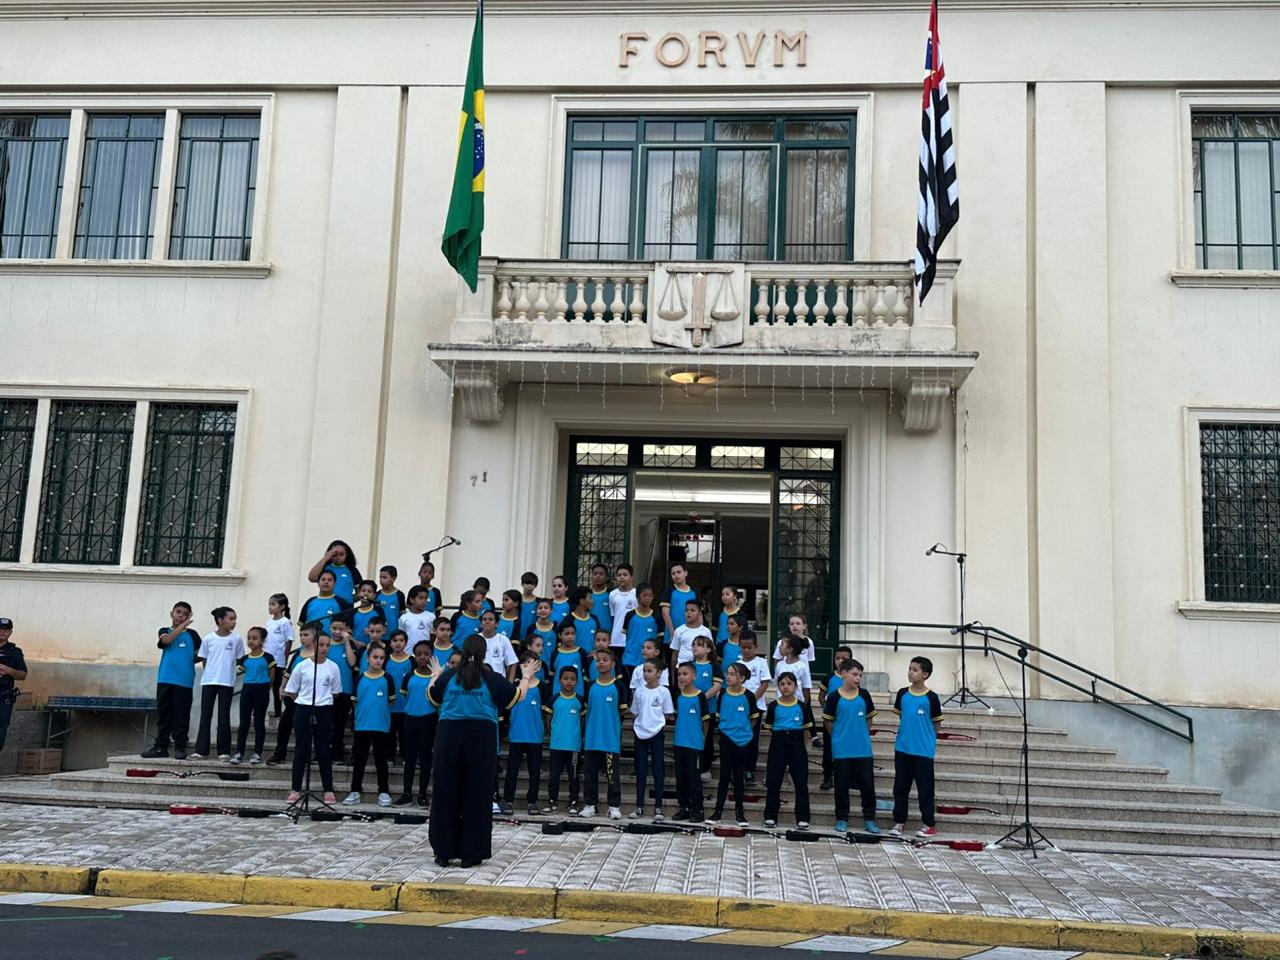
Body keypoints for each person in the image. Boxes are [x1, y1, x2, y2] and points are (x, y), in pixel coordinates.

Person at [427, 635, 540, 867]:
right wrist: (526, 677)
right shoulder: (492, 678)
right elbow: (517, 696)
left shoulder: (450, 676)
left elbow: (432, 696)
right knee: (477, 795)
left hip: (449, 737)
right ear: (484, 653)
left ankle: (443, 851)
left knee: (445, 793)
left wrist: (435, 675)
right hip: (481, 738)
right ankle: (472, 852)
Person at [284, 628, 342, 805]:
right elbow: (291, 691)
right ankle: (295, 788)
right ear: (314, 643)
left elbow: (336, 692)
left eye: (327, 645)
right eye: (321, 644)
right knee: (301, 750)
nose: (324, 648)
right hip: (303, 708)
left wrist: (322, 701)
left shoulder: (333, 667)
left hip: (323, 709)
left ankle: (328, 789)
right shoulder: (302, 666)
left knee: (323, 750)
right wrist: (305, 701)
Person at [891, 656, 944, 839]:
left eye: (915, 670)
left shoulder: (931, 698)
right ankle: (899, 822)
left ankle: (929, 824)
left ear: (925, 674)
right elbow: (902, 717)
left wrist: (927, 739)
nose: (910, 672)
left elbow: (936, 724)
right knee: (900, 787)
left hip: (923, 751)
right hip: (903, 748)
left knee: (925, 789)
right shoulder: (902, 693)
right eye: (909, 668)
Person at [825, 657, 878, 834]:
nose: (858, 678)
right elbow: (829, 722)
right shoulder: (833, 697)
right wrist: (839, 737)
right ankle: (841, 818)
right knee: (841, 785)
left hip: (863, 749)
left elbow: (869, 718)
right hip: (842, 750)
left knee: (867, 786)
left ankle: (869, 818)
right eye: (855, 674)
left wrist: (862, 733)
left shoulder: (864, 695)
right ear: (844, 674)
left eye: (860, 675)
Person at [142, 603, 200, 760]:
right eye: (178, 612)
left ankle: (180, 747)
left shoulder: (193, 635)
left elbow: (199, 654)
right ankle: (161, 746)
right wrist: (181, 627)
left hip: (184, 681)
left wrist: (188, 660)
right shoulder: (165, 631)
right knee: (164, 714)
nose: (181, 615)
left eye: (185, 613)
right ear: (171, 613)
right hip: (165, 679)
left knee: (181, 715)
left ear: (189, 616)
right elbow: (166, 641)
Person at [397, 640, 450, 808]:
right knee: (409, 758)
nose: (422, 657)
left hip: (429, 719)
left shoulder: (437, 677)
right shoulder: (409, 676)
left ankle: (422, 794)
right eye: (418, 654)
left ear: (432, 656)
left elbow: (438, 698)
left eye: (426, 654)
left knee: (425, 758)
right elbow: (406, 695)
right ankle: (406, 793)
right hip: (410, 719)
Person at [343, 644, 397, 807]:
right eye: (375, 657)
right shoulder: (359, 679)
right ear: (368, 658)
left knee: (381, 761)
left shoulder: (387, 678)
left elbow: (390, 700)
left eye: (381, 658)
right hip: (362, 726)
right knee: (360, 760)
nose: (378, 660)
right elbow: (354, 701)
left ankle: (384, 792)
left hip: (381, 726)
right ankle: (355, 791)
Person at [579, 647, 628, 820]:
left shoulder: (619, 686)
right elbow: (585, 711)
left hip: (610, 739)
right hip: (592, 738)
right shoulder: (590, 686)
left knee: (611, 775)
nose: (601, 662)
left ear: (613, 663)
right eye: (598, 659)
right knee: (590, 773)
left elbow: (622, 712)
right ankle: (590, 805)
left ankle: (614, 806)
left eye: (605, 659)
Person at [190, 607, 244, 760]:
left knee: (223, 716)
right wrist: (212, 672)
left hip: (227, 681)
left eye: (235, 619)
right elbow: (205, 659)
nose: (234, 622)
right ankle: (201, 750)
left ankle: (224, 751)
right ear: (220, 621)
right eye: (230, 619)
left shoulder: (236, 639)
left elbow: (239, 659)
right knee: (205, 715)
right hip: (209, 681)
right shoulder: (208, 638)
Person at [762, 671, 814, 829]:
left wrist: (803, 748)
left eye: (789, 684)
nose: (786, 687)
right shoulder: (773, 706)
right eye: (782, 684)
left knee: (800, 782)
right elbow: (770, 727)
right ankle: (770, 816)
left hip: (797, 743)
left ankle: (803, 818)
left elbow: (807, 730)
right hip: (778, 743)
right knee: (773, 781)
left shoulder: (801, 706)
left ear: (796, 686)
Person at [710, 662, 757, 827]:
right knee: (724, 776)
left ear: (742, 678)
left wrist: (745, 732)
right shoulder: (722, 694)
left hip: (743, 740)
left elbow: (754, 717)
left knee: (739, 776)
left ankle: (740, 813)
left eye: (732, 674)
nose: (728, 676)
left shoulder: (749, 696)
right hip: (726, 739)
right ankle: (717, 811)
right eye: (727, 673)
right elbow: (718, 716)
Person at [629, 657, 674, 820]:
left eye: (650, 671)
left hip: (656, 734)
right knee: (640, 770)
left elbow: (668, 713)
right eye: (644, 671)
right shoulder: (639, 692)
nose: (646, 674)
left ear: (659, 673)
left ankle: (658, 807)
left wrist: (656, 724)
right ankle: (639, 805)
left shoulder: (664, 692)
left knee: (657, 769)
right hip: (640, 733)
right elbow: (634, 712)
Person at [502, 650, 546, 815]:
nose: (528, 666)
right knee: (512, 771)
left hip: (535, 736)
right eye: (525, 663)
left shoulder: (542, 687)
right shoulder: (514, 686)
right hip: (516, 735)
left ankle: (532, 802)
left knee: (534, 772)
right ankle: (508, 800)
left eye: (532, 662)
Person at [267, 625, 317, 766]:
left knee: (305, 728)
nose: (302, 638)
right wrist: (282, 686)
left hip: (307, 698)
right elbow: (288, 672)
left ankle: (304, 755)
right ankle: (279, 753)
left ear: (314, 637)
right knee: (284, 726)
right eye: (301, 635)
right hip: (292, 697)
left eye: (306, 635)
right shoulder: (297, 654)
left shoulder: (318, 656)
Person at [543, 665, 584, 815]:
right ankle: (552, 801)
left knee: (573, 776)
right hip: (557, 744)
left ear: (577, 682)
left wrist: (579, 735)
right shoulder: (553, 699)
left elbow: (583, 720)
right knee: (554, 775)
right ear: (560, 680)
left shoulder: (579, 700)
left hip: (573, 745)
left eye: (572, 679)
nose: (569, 682)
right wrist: (553, 733)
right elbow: (548, 719)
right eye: (566, 679)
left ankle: (573, 802)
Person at [671, 663, 709, 822]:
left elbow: (705, 721)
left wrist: (702, 739)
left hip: (695, 744)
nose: (681, 677)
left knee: (694, 777)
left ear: (694, 676)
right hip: (680, 742)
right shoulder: (678, 696)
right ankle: (684, 807)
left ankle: (698, 809)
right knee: (681, 777)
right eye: (679, 674)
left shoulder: (700, 697)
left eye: (685, 674)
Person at [232, 627, 275, 765]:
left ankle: (257, 753)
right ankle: (239, 752)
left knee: (259, 722)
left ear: (262, 640)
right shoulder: (244, 659)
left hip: (262, 690)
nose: (251, 641)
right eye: (249, 638)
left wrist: (267, 686)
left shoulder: (268, 657)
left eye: (255, 638)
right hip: (247, 690)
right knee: (244, 722)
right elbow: (241, 671)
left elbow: (272, 675)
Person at [736, 631, 771, 784]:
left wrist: (752, 700)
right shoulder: (737, 663)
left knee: (752, 738)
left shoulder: (761, 662)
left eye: (749, 647)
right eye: (743, 647)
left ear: (756, 647)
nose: (746, 650)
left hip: (756, 707)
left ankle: (749, 769)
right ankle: (737, 768)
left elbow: (764, 683)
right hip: (738, 707)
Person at [817, 645, 854, 790]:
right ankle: (828, 776)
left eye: (844, 658)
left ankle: (849, 776)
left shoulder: (853, 678)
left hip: (848, 721)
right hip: (832, 721)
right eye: (837, 658)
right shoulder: (829, 677)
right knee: (829, 749)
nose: (840, 661)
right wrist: (827, 710)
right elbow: (821, 696)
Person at [690, 636, 722, 781]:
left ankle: (705, 768)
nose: (695, 647)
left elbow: (716, 686)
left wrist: (702, 698)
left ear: (708, 649)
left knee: (706, 739)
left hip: (708, 709)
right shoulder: (688, 665)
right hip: (690, 709)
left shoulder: (714, 666)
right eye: (693, 645)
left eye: (699, 645)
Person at [384, 630, 414, 761]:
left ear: (406, 643)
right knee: (389, 734)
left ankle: (405, 757)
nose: (398, 643)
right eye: (395, 640)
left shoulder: (412, 661)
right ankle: (389, 757)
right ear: (390, 643)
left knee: (405, 735)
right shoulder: (385, 660)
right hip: (389, 705)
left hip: (406, 706)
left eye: (401, 640)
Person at [263, 594, 294, 719]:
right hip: (266, 659)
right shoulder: (269, 622)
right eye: (269, 604)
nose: (270, 607)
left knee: (276, 688)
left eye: (273, 604)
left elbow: (288, 641)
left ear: (282, 607)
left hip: (278, 661)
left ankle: (277, 713)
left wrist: (285, 658)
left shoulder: (285, 622)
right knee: (264, 687)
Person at [0, 618, 27, 755]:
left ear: (10, 632)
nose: (2, 632)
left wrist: (8, 670)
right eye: (0, 629)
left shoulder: (14, 652)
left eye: (6, 630)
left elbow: (22, 675)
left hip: (3, 697)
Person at [307, 540, 362, 604]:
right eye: (335, 554)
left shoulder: (352, 570)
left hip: (345, 608)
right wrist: (325, 558)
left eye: (341, 554)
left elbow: (360, 592)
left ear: (346, 555)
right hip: (326, 604)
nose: (338, 557)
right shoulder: (325, 568)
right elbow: (312, 578)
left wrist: (349, 600)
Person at [299, 571, 352, 636]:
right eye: (323, 579)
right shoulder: (310, 602)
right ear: (318, 583)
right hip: (311, 644)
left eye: (329, 580)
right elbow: (302, 625)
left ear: (334, 584)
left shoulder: (342, 603)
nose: (326, 582)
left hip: (332, 644)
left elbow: (348, 627)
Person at [670, 599, 712, 673]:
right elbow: (675, 653)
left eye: (692, 610)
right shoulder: (679, 630)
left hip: (699, 668)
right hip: (681, 668)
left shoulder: (706, 631)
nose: (689, 613)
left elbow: (710, 653)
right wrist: (673, 673)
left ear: (699, 614)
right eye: (686, 610)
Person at [659, 562, 698, 644]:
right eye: (673, 573)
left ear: (686, 573)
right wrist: (673, 634)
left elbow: (699, 614)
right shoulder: (668, 591)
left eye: (679, 572)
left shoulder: (694, 593)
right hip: (671, 636)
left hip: (691, 636)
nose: (676, 575)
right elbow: (665, 614)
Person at [551, 620, 592, 697]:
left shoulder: (581, 652)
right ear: (560, 635)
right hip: (558, 692)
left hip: (578, 692)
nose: (570, 636)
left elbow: (585, 675)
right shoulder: (555, 653)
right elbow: (552, 675)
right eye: (567, 634)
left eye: (572, 634)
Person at [607, 563, 638, 659]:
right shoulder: (613, 594)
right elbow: (613, 616)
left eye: (625, 575)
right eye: (619, 575)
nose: (622, 577)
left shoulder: (636, 594)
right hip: (616, 639)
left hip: (632, 637)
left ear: (631, 577)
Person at [478, 609, 518, 680]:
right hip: (479, 682)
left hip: (498, 683)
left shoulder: (504, 640)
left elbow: (513, 663)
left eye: (490, 619)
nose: (487, 621)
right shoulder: (475, 639)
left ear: (497, 624)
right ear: (481, 624)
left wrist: (510, 684)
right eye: (484, 619)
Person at [776, 635, 813, 705]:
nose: (779, 647)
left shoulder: (802, 667)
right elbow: (777, 683)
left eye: (782, 645)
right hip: (780, 703)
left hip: (796, 704)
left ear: (789, 649)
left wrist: (804, 705)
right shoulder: (779, 665)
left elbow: (806, 687)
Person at [399, 586, 435, 650]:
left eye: (426, 598)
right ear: (412, 600)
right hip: (408, 652)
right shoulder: (404, 618)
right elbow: (401, 636)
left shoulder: (431, 616)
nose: (424, 601)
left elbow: (432, 635)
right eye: (421, 598)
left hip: (425, 653)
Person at [567, 586, 601, 652]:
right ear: (582, 601)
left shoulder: (594, 619)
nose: (593, 600)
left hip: (592, 660)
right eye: (590, 598)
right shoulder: (569, 620)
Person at [350, 581, 382, 648]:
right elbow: (348, 632)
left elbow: (383, 629)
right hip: (356, 647)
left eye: (369, 592)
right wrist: (356, 642)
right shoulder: (353, 612)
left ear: (374, 595)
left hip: (373, 648)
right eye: (363, 591)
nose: (366, 593)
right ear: (358, 593)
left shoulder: (378, 610)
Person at [526, 599, 557, 667]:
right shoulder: (531, 628)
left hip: (551, 667)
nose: (543, 610)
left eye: (546, 608)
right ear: (536, 611)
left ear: (551, 611)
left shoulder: (556, 628)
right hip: (534, 666)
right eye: (540, 608)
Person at [376, 565, 405, 633]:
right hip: (378, 634)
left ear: (393, 578)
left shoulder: (399, 595)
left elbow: (402, 615)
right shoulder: (377, 594)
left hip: (393, 634)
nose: (381, 580)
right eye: (380, 577)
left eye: (384, 577)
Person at [588, 563, 613, 638]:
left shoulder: (611, 594)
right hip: (590, 634)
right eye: (595, 574)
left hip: (608, 635)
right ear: (591, 577)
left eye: (601, 574)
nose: (598, 576)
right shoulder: (587, 594)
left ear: (606, 577)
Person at [716, 585, 742, 651]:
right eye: (722, 595)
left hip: (734, 647)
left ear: (734, 596)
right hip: (719, 646)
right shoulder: (719, 612)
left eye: (727, 594)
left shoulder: (740, 614)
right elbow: (715, 629)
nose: (724, 597)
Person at [518, 572, 540, 639]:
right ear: (522, 584)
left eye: (532, 584)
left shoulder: (538, 602)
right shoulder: (516, 601)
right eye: (527, 583)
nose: (529, 586)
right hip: (517, 636)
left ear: (535, 585)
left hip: (532, 638)